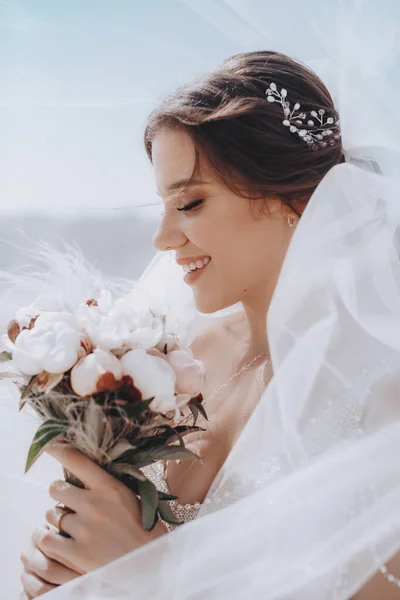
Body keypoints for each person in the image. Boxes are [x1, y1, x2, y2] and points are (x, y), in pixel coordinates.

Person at [17, 47, 400, 600]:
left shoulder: (380, 405)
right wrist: (69, 570)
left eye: (190, 203)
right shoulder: (172, 363)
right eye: (163, 207)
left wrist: (150, 574)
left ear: (294, 197)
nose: (163, 238)